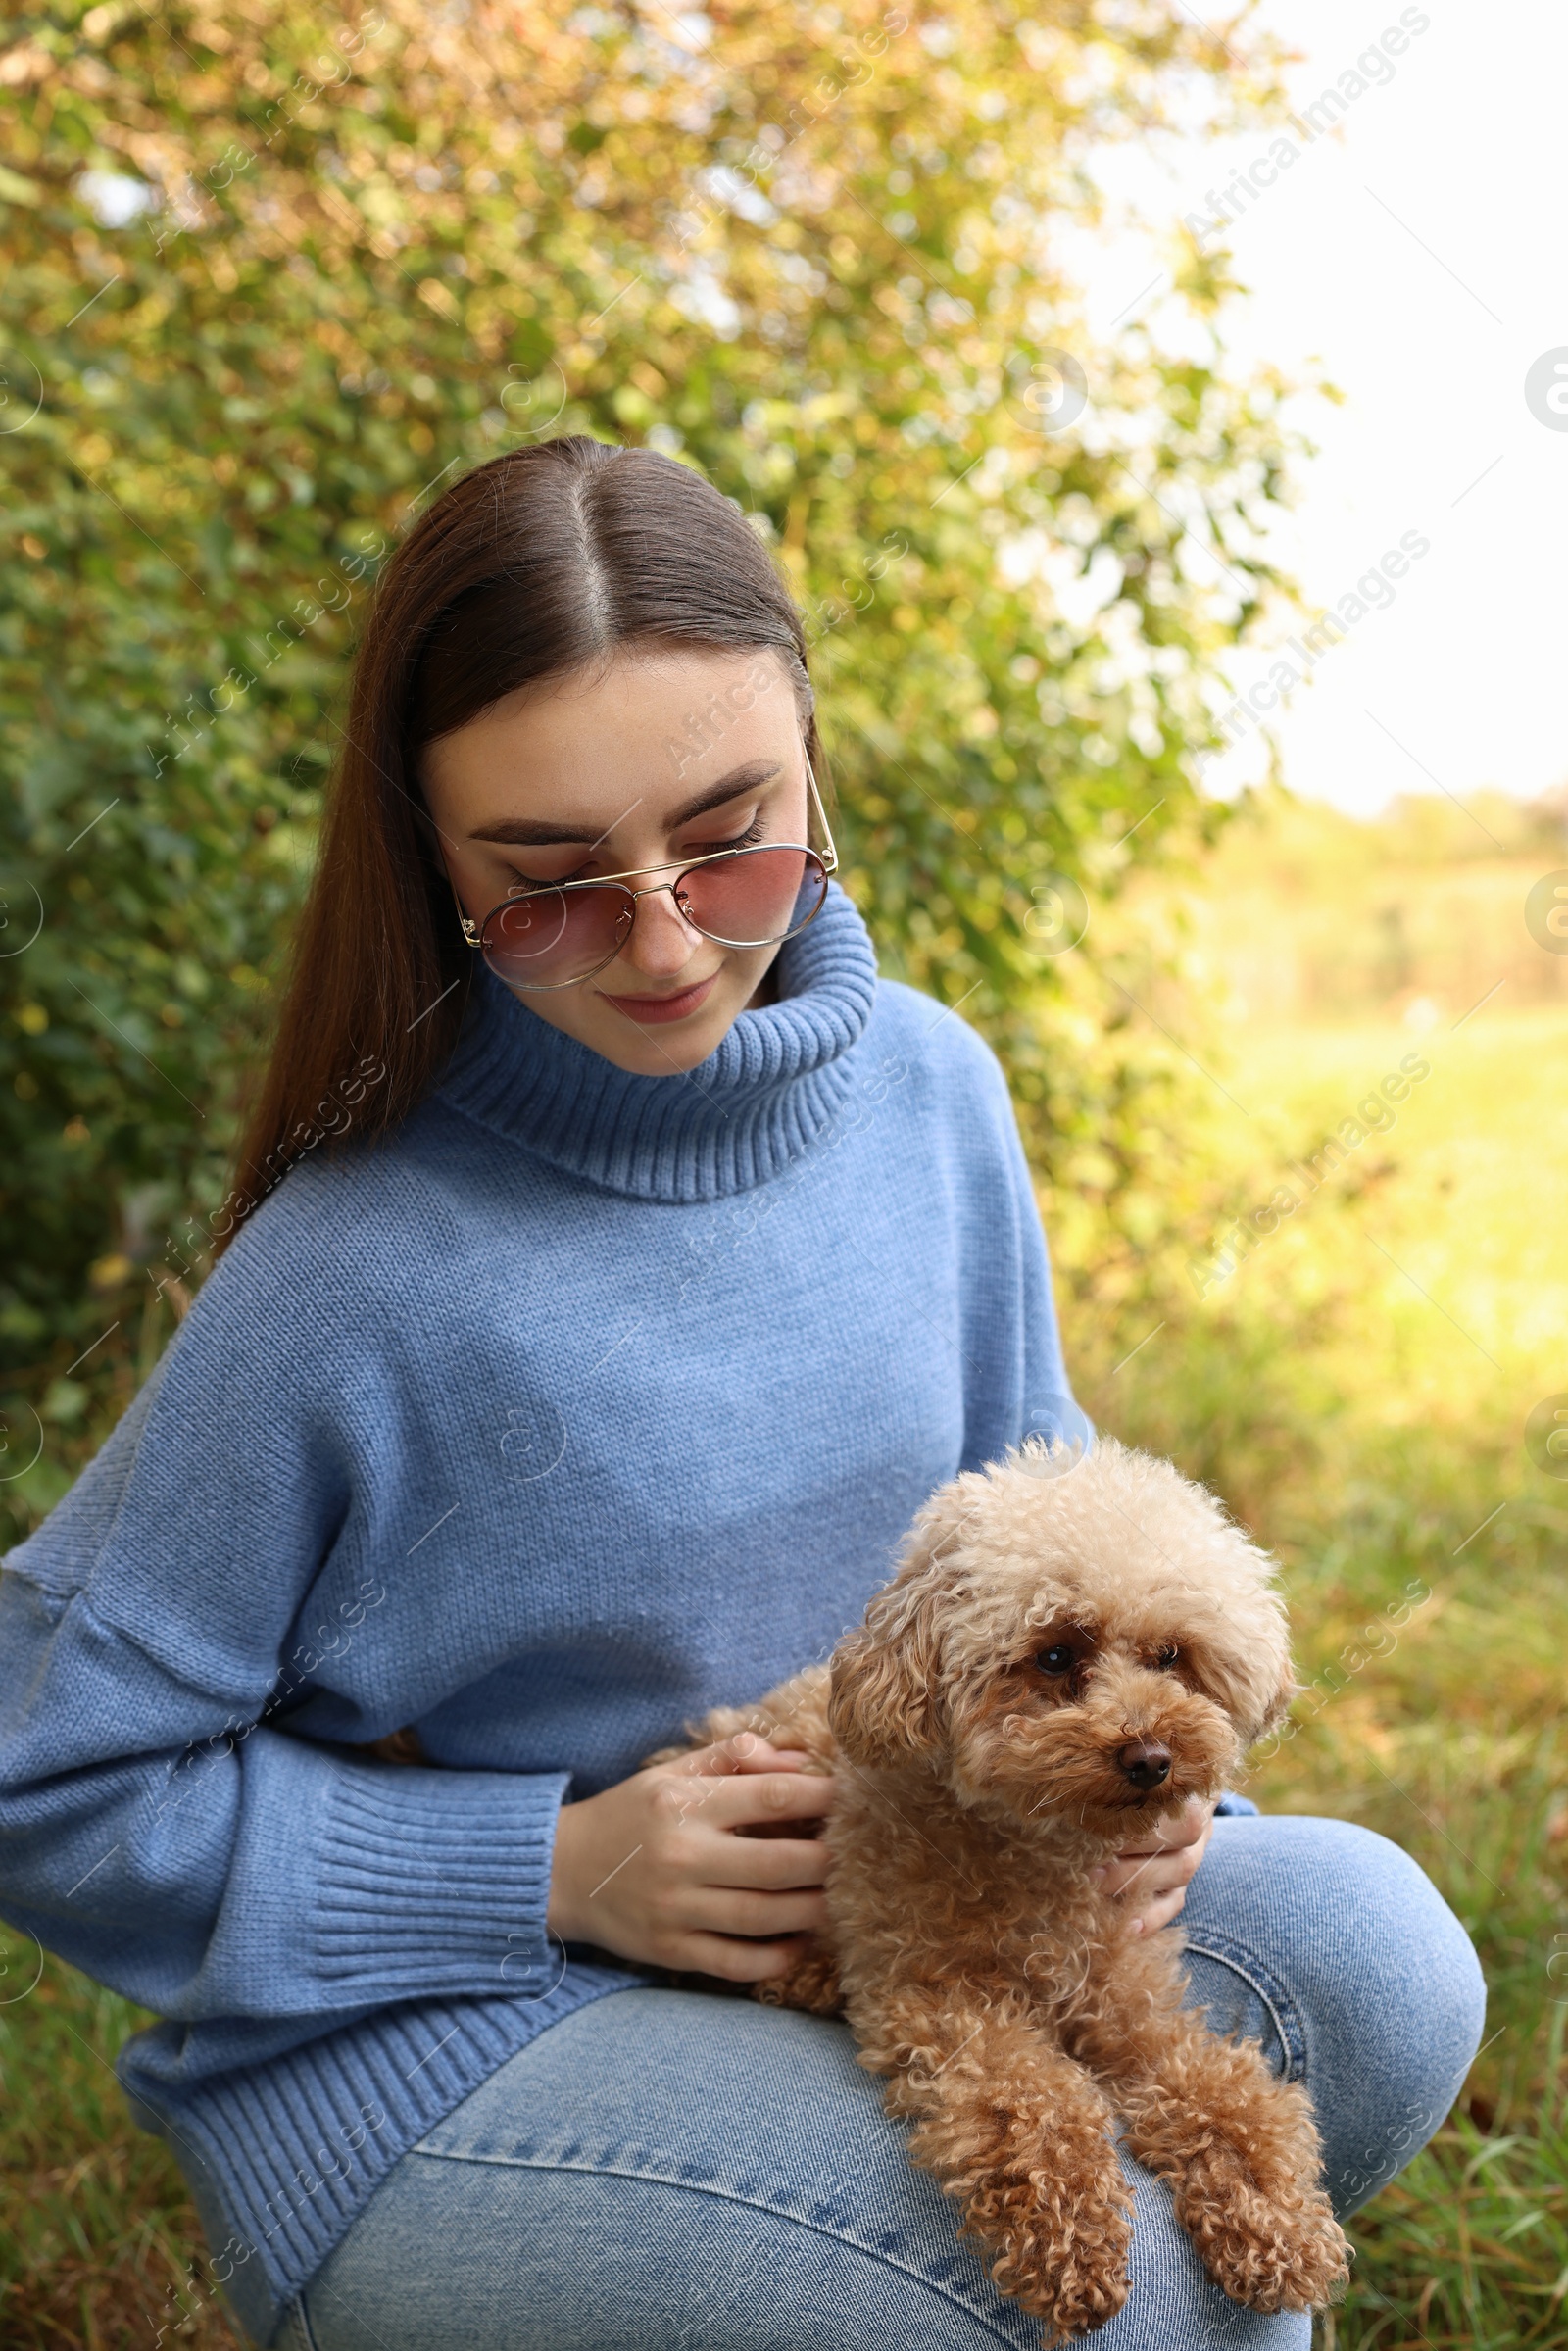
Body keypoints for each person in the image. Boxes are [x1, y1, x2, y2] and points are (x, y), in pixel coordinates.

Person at [0, 437, 1483, 2351]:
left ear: (813, 759)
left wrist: (1154, 1801)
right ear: (430, 861)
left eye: (730, 837)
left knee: (1373, 1958)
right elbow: (46, 1771)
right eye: (544, 888)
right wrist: (549, 1868)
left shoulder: (932, 1094)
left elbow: (1039, 1537)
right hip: (459, 2039)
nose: (667, 941)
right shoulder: (352, 1267)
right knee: (1127, 2319)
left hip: (921, 1900)